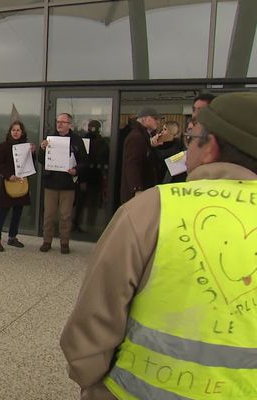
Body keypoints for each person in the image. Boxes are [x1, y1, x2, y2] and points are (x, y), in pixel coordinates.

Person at [60, 92, 257, 400]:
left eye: (192, 138)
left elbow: (93, 320)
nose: (187, 147)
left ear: (211, 147)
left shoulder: (152, 210)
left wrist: (91, 382)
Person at [37, 113, 88, 254]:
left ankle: (64, 242)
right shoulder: (49, 139)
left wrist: (76, 170)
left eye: (63, 122)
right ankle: (47, 241)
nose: (59, 124)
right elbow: (41, 160)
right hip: (51, 183)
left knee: (65, 216)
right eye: (58, 121)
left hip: (68, 184)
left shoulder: (76, 140)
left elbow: (84, 161)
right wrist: (42, 149)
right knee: (49, 215)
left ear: (69, 124)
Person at [0, 120, 35, 252]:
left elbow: (31, 164)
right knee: (3, 211)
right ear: (10, 132)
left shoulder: (26, 146)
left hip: (21, 182)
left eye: (18, 130)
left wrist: (32, 153)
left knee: (17, 212)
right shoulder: (4, 146)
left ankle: (12, 237)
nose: (16, 132)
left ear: (22, 132)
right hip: (8, 182)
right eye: (13, 130)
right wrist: (8, 175)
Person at [119, 107, 163, 204]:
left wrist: (153, 147)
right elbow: (132, 164)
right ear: (144, 119)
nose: (158, 122)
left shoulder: (143, 136)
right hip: (138, 194)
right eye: (155, 119)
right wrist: (137, 190)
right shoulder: (137, 137)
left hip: (142, 191)